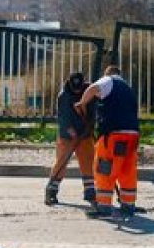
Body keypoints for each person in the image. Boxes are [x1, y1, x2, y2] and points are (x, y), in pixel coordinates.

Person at [75, 66, 140, 217]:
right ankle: (128, 205)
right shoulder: (128, 89)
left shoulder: (109, 80)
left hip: (114, 134)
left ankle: (104, 206)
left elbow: (93, 88)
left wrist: (82, 103)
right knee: (127, 169)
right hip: (132, 134)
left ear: (108, 74)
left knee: (105, 167)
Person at [45, 72, 97, 208]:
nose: (77, 91)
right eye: (75, 89)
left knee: (88, 161)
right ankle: (51, 190)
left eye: (79, 89)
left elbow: (93, 113)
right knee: (61, 162)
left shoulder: (90, 91)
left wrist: (89, 127)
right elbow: (63, 117)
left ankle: (90, 190)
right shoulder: (64, 95)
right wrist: (70, 130)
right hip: (68, 136)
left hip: (85, 133)